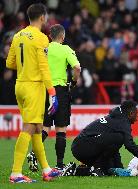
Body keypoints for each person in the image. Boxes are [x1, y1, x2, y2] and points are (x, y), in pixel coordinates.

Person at [6, 3, 60, 183]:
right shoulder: (41, 38)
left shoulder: (18, 35)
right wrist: (52, 92)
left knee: (37, 128)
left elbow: (10, 63)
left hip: (20, 85)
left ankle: (46, 169)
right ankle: (15, 173)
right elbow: (44, 68)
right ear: (43, 17)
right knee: (30, 126)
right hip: (34, 87)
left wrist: (26, 65)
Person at [27, 24, 81, 172]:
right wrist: (74, 82)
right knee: (60, 129)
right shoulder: (65, 49)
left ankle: (33, 153)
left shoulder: (44, 49)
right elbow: (77, 67)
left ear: (50, 36)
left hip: (43, 89)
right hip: (60, 90)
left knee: (45, 126)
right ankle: (59, 165)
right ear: (62, 37)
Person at [67, 100, 138, 176]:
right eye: (136, 114)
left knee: (111, 171)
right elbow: (129, 145)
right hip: (83, 147)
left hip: (80, 146)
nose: (137, 117)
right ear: (131, 113)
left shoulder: (116, 118)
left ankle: (77, 170)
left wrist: (120, 168)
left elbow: (114, 148)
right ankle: (97, 168)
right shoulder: (123, 122)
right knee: (119, 137)